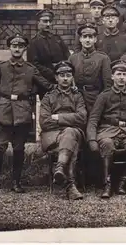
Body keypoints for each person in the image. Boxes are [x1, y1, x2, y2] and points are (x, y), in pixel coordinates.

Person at [0, 34, 54, 197]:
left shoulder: (30, 68)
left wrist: (66, 86)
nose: (17, 49)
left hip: (22, 113)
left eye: (20, 46)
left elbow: (46, 84)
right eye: (14, 46)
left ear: (24, 49)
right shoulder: (1, 67)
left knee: (19, 149)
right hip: (1, 113)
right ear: (9, 48)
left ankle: (16, 182)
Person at [86, 60, 126, 198]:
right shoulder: (104, 96)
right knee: (107, 144)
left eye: (124, 74)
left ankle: (123, 182)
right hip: (108, 131)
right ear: (112, 77)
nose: (121, 77)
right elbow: (93, 119)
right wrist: (92, 140)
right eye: (118, 74)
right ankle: (107, 184)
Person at [39, 61, 87, 200]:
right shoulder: (48, 97)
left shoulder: (77, 96)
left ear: (72, 78)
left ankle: (61, 170)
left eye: (68, 75)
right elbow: (44, 122)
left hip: (72, 133)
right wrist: (69, 119)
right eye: (62, 75)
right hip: (52, 137)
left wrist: (57, 117)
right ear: (56, 78)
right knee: (71, 139)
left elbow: (82, 118)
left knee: (70, 134)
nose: (65, 78)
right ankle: (70, 185)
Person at [68, 23, 112, 113]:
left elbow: (108, 84)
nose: (87, 40)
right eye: (85, 37)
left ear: (95, 40)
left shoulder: (103, 58)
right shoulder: (73, 58)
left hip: (96, 97)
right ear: (80, 39)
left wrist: (102, 100)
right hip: (77, 97)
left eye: (90, 37)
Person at [27, 9, 71, 98]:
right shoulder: (33, 42)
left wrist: (62, 72)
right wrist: (53, 73)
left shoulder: (57, 39)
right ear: (38, 22)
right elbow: (34, 65)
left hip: (62, 81)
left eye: (50, 21)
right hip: (44, 83)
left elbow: (67, 57)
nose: (48, 24)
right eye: (45, 21)